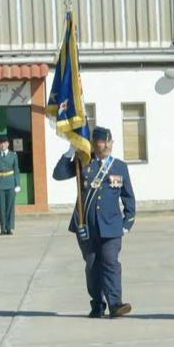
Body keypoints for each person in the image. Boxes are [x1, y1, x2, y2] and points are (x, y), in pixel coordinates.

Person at [53, 125, 135, 316]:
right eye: (102, 141)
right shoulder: (84, 162)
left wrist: (126, 224)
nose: (106, 145)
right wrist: (70, 153)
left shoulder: (119, 166)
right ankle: (97, 304)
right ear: (93, 143)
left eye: (109, 141)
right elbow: (58, 175)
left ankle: (115, 303)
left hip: (112, 226)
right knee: (92, 265)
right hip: (86, 227)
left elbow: (128, 197)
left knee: (110, 262)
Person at [0, 137, 20, 235]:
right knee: (1, 207)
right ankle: (3, 228)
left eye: (4, 143)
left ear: (8, 144)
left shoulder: (13, 155)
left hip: (10, 183)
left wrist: (17, 184)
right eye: (1, 143)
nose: (2, 145)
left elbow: (16, 170)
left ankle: (9, 227)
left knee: (10, 206)